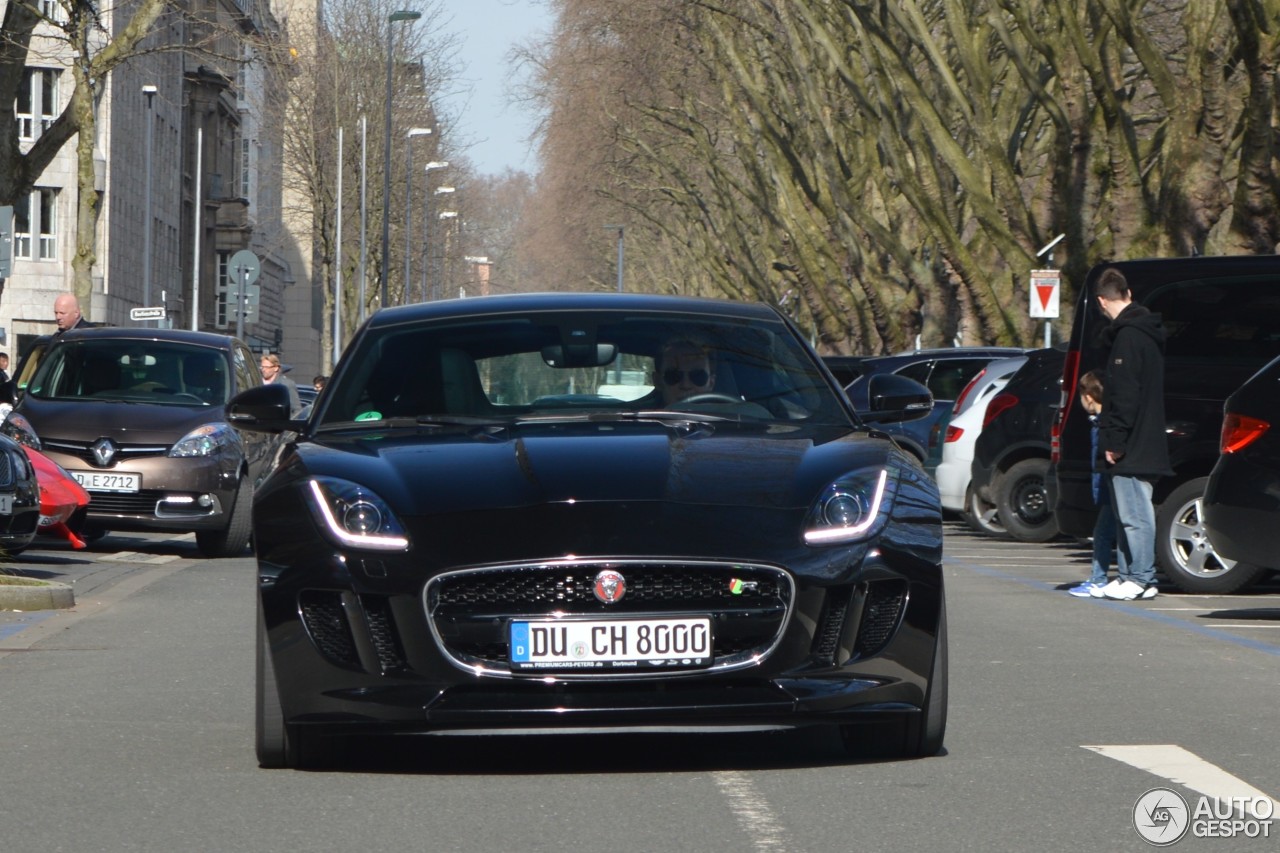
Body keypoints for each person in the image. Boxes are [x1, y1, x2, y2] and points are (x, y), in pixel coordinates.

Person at [1092, 267, 1173, 601]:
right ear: (1127, 293)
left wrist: (1114, 441)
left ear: (1101, 300)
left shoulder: (1127, 336)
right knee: (1129, 513)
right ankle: (1130, 575)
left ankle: (1140, 576)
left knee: (1134, 513)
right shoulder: (1147, 332)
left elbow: (1124, 394)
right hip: (1147, 436)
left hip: (1133, 443)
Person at [1067, 370, 1127, 597]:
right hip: (1108, 486)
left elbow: (1100, 462)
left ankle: (1099, 579)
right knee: (1114, 531)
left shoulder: (1102, 426)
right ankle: (1112, 576)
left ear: (1088, 396)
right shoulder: (1105, 422)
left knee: (1103, 533)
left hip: (1107, 486)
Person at [657, 337, 717, 405]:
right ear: (658, 381)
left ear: (711, 383)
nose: (686, 385)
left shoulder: (725, 414)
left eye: (698, 376)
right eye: (673, 376)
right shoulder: (644, 414)